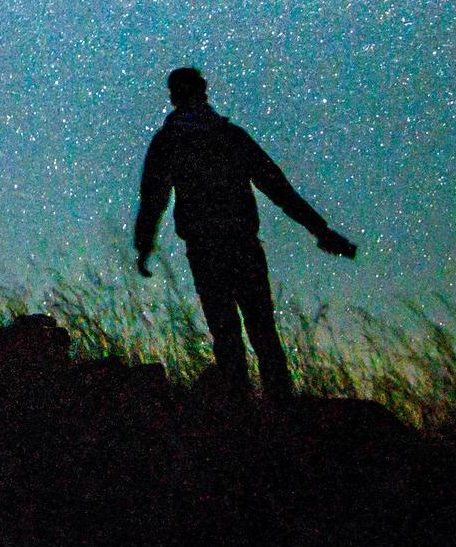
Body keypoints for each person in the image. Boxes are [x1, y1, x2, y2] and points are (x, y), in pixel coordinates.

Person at [132, 66, 357, 401]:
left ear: (174, 95)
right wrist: (319, 229)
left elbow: (154, 199)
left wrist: (144, 245)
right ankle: (279, 410)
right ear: (203, 91)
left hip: (205, 248)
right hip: (242, 245)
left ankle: (242, 410)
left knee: (226, 333)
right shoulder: (230, 136)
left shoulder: (170, 141)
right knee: (262, 329)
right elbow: (277, 187)